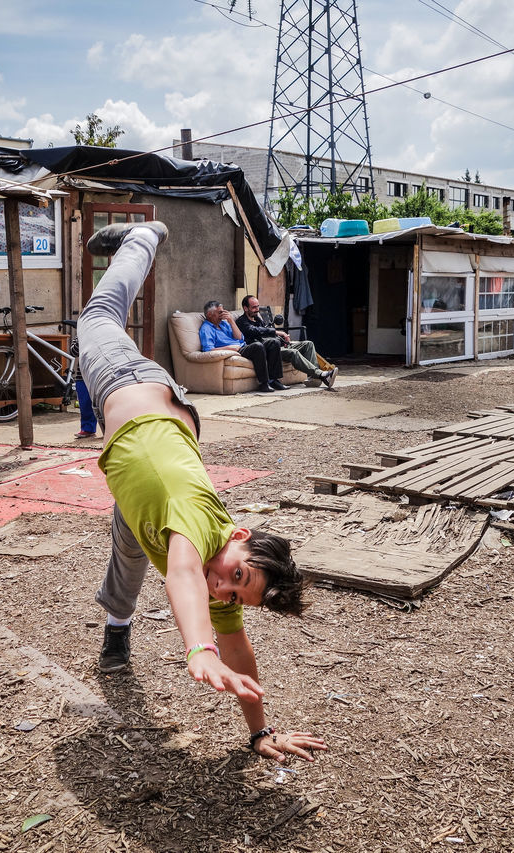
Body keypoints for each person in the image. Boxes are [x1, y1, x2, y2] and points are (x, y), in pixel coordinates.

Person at [77, 220, 326, 763]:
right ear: (238, 535)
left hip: (165, 434)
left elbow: (238, 647)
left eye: (234, 595)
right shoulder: (196, 531)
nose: (223, 588)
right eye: (236, 576)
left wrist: (261, 730)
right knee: (97, 318)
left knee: (132, 542)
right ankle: (143, 237)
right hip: (126, 382)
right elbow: (188, 576)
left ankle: (116, 626)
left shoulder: (216, 564)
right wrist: (198, 647)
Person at [236, 295, 337, 388]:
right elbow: (256, 331)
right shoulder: (241, 322)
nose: (257, 310)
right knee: (293, 352)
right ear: (245, 308)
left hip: (276, 345)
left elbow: (268, 334)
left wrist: (283, 339)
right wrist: (277, 332)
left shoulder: (258, 319)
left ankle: (314, 378)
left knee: (308, 344)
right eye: (254, 307)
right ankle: (321, 374)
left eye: (258, 306)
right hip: (267, 350)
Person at [199, 301, 287, 392]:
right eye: (220, 312)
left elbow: (240, 338)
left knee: (274, 342)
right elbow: (208, 350)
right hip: (236, 350)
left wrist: (231, 321)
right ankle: (264, 383)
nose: (223, 314)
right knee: (257, 346)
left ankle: (274, 380)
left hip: (243, 346)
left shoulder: (224, 324)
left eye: (224, 311)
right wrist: (230, 348)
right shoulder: (206, 329)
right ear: (209, 314)